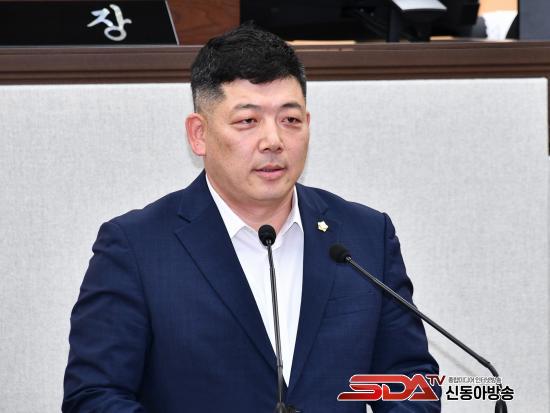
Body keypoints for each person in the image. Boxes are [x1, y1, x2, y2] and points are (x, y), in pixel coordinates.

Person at [63, 24, 440, 412]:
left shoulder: (365, 236)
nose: (273, 141)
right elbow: (94, 397)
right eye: (248, 121)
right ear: (199, 134)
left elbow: (411, 381)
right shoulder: (137, 247)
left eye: (290, 120)